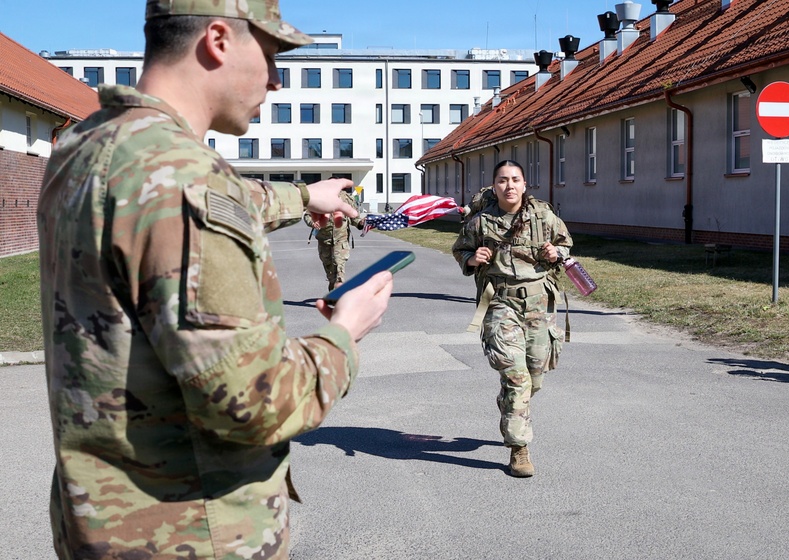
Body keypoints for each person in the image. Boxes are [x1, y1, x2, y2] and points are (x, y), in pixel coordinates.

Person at [35, 1, 393, 557]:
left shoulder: (86, 147)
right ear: (219, 39)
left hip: (102, 524)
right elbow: (255, 405)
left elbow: (180, 200)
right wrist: (344, 334)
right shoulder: (188, 180)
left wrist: (302, 196)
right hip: (189, 534)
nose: (275, 80)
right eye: (270, 55)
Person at [452, 160, 573, 477]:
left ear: (524, 184)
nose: (509, 185)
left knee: (534, 377)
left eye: (515, 179)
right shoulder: (481, 223)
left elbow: (565, 244)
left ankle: (509, 401)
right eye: (502, 180)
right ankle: (519, 449)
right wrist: (472, 258)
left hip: (538, 304)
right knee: (517, 378)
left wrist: (556, 253)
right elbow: (460, 249)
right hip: (501, 304)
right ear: (494, 186)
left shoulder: (543, 216)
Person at [304, 187, 366, 290]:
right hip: (324, 240)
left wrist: (361, 223)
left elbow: (354, 218)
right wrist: (313, 222)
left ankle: (339, 291)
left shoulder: (346, 199)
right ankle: (332, 287)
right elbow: (308, 215)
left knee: (339, 267)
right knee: (330, 270)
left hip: (341, 239)